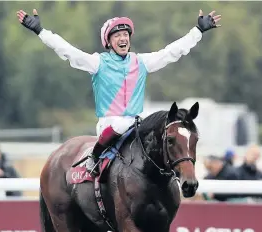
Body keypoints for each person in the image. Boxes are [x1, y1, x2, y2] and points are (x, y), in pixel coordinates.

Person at [17, 8, 221, 175]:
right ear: (109, 42)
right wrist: (41, 31)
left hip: (136, 123)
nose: (123, 38)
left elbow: (172, 52)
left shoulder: (141, 62)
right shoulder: (97, 62)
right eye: (118, 35)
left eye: (125, 35)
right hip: (110, 123)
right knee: (122, 123)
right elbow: (67, 50)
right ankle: (93, 159)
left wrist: (198, 31)